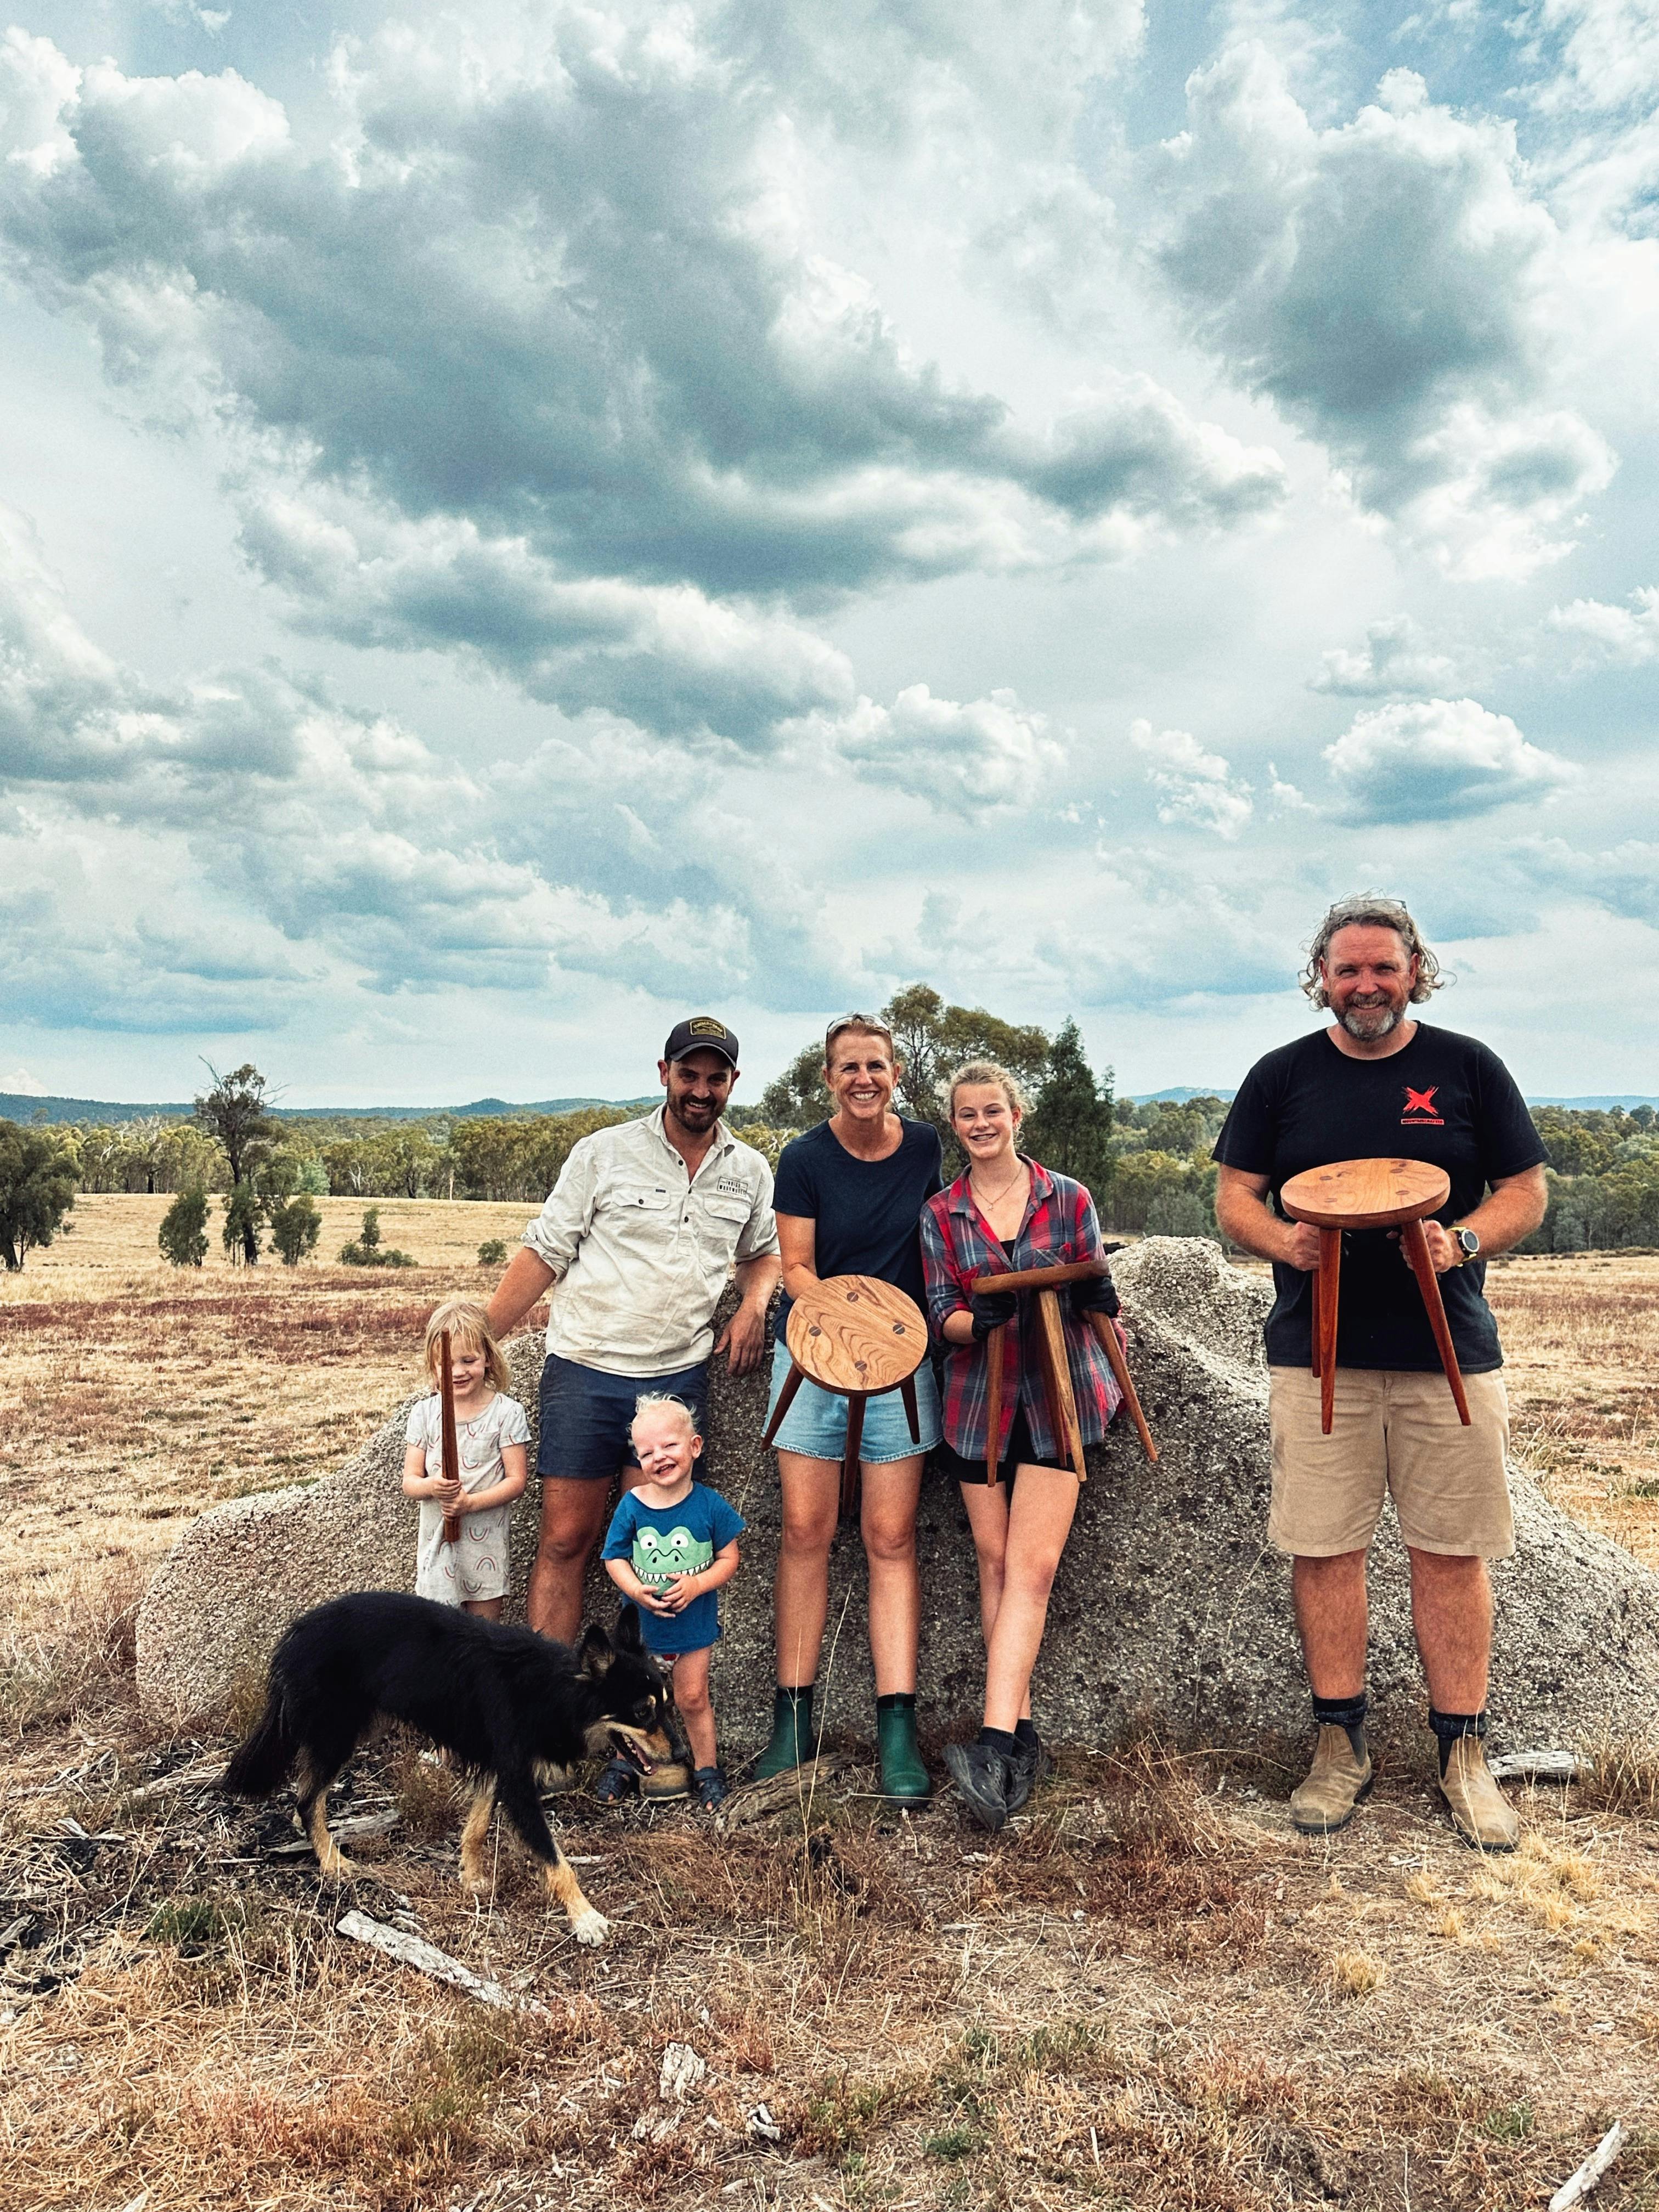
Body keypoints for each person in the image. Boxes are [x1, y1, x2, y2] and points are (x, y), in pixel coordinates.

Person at [1212, 895, 1548, 1850]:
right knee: (1323, 1549)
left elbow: (1523, 1187)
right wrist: (1284, 1239)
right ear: (1317, 975)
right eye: (1345, 970)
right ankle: (1338, 1744)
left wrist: (1466, 1240)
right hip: (1315, 1356)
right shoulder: (1280, 1077)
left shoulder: (1466, 1067)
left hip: (1448, 1351)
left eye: (1381, 968)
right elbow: (1234, 1197)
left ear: (1414, 971)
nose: (1363, 985)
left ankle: (1462, 1755)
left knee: (1450, 1551)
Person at [486, 1017, 781, 1650]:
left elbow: (763, 1253)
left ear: (733, 1083)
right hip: (587, 1370)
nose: (701, 1090)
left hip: (676, 1377)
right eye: (689, 1075)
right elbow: (545, 1251)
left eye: (715, 1078)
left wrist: (754, 1304)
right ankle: (551, 1715)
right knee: (567, 1539)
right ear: (664, 1074)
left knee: (656, 1549)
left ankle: (636, 1728)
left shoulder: (749, 1170)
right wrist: (480, 1338)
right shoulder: (603, 1152)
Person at [919, 1061, 1123, 1829]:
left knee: (1032, 1570)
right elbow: (942, 1312)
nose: (981, 1124)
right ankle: (1024, 1734)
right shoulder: (941, 1213)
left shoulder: (1067, 1197)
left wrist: (1098, 1294)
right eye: (967, 1115)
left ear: (1016, 1116)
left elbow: (1098, 1290)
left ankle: (995, 1739)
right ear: (956, 1124)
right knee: (996, 1564)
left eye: (992, 1111)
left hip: (1060, 1399)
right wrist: (981, 1322)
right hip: (978, 1404)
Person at [754, 1014, 945, 1802]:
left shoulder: (930, 1147)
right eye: (848, 1068)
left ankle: (897, 1730)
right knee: (805, 1530)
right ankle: (791, 1720)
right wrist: (849, 1321)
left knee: (891, 1536)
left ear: (897, 1071)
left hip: (906, 1362)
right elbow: (794, 1263)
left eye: (876, 1065)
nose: (863, 1078)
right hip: (814, 1357)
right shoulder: (803, 1158)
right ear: (828, 1078)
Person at [600, 1395, 745, 1811]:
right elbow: (614, 1557)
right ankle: (627, 1762)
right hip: (643, 1632)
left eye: (669, 1446)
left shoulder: (710, 1505)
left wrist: (698, 1586)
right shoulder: (633, 1505)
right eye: (647, 1452)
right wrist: (634, 1590)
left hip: (692, 1628)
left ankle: (707, 1770)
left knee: (693, 1697)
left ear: (695, 1447)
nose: (659, 1457)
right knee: (635, 1702)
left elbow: (729, 1559)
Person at [402, 1300, 530, 1620]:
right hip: (439, 1546)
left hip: (485, 1547)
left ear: (488, 1358)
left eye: (468, 1360)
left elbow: (517, 1480)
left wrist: (469, 1504)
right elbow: (409, 1482)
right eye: (446, 1364)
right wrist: (433, 1486)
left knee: (483, 1637)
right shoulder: (425, 1414)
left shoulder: (507, 1413)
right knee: (440, 1636)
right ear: (433, 1367)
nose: (458, 1371)